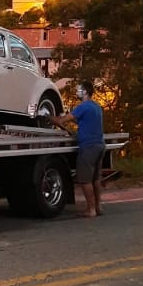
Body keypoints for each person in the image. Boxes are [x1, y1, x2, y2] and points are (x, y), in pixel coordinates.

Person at [50, 80, 105, 218]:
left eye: (79, 89)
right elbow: (82, 120)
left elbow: (61, 121)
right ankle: (98, 207)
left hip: (88, 147)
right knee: (95, 179)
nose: (77, 92)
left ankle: (90, 210)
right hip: (99, 145)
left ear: (85, 91)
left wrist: (50, 117)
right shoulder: (96, 107)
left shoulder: (83, 106)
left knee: (85, 180)